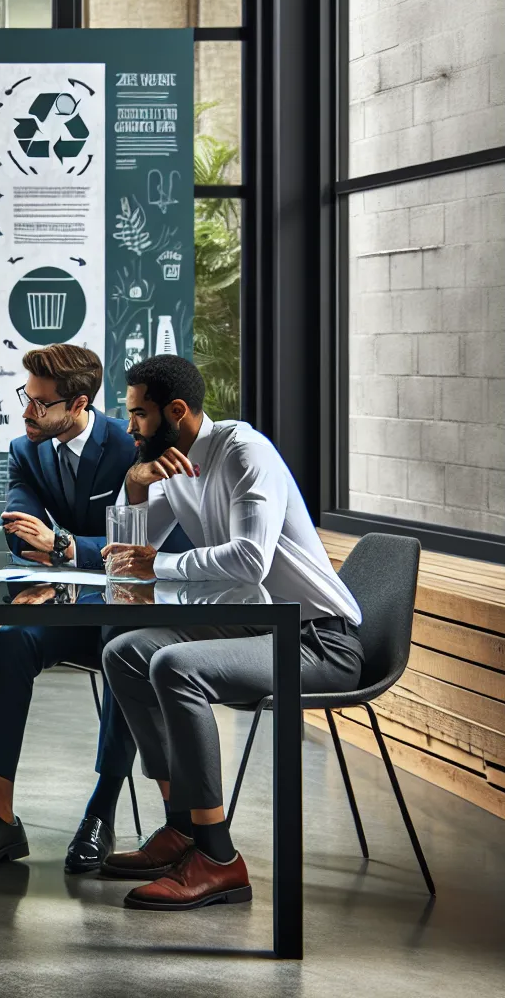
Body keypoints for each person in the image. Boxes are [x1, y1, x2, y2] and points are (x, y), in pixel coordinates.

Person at [99, 354, 364, 910]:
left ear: (177, 411)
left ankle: (218, 857)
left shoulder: (246, 452)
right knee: (125, 653)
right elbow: (132, 549)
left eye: (139, 415)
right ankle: (182, 827)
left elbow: (250, 560)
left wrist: (159, 566)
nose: (130, 427)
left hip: (317, 640)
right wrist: (134, 483)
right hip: (254, 624)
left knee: (175, 665)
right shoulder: (173, 465)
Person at [0, 343, 155, 874]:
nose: (27, 411)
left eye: (40, 403)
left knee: (121, 643)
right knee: (14, 637)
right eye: (26, 396)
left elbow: (147, 542)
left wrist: (65, 545)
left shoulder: (128, 446)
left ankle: (101, 811)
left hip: (124, 606)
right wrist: (57, 544)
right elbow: (19, 532)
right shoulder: (26, 449)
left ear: (79, 403)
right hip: (65, 607)